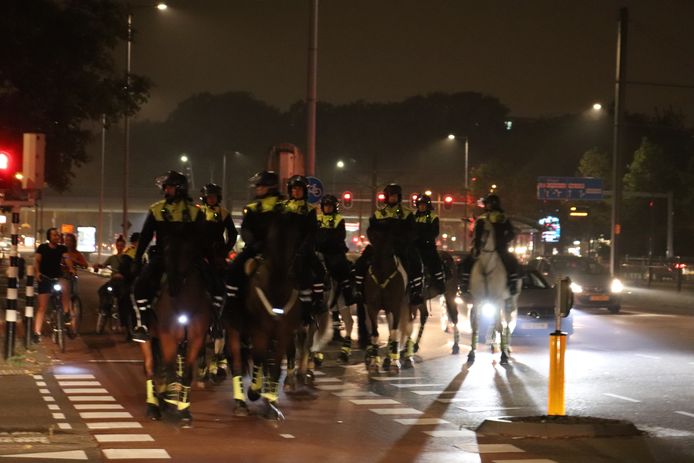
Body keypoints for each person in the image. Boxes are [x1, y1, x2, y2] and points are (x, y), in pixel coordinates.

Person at [131, 170, 204, 342]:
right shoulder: (156, 210)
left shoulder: (195, 212)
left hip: (189, 259)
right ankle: (142, 324)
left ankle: (216, 321)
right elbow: (145, 237)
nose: (165, 191)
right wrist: (137, 258)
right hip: (162, 258)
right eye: (165, 188)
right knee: (140, 285)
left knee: (214, 282)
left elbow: (202, 239)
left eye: (169, 188)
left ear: (179, 189)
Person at [353, 183, 424, 305]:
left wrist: (402, 241)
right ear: (386, 197)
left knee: (416, 261)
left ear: (399, 197)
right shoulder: (378, 214)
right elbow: (371, 231)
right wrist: (377, 242)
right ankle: (359, 291)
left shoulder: (407, 214)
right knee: (361, 262)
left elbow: (413, 232)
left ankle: (416, 292)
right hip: (380, 247)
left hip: (400, 248)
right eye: (391, 196)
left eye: (396, 196)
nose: (393, 198)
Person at [224, 170, 283, 313]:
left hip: (278, 250)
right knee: (233, 269)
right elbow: (245, 229)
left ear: (271, 187)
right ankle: (232, 306)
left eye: (261, 185)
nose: (258, 188)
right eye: (257, 186)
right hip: (255, 248)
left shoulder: (284, 207)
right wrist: (252, 243)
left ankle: (308, 309)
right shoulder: (252, 208)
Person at [280, 175, 325, 317]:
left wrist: (303, 250)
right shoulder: (283, 207)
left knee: (319, 271)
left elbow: (312, 232)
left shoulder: (310, 209)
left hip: (303, 251)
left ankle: (315, 303)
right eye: (294, 189)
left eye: (299, 189)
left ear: (304, 191)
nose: (296, 192)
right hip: (284, 249)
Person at [459, 193, 520, 295]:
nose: (488, 206)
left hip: (500, 247)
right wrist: (476, 244)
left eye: (489, 204)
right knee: (467, 261)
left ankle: (512, 283)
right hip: (481, 247)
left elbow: (511, 232)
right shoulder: (482, 218)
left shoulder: (502, 217)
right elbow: (476, 232)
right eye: (487, 204)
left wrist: (503, 240)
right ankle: (465, 283)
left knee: (511, 261)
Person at [199, 183, 237, 316]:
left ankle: (220, 309)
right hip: (199, 252)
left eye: (214, 197)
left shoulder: (223, 213)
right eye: (208, 197)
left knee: (220, 279)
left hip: (216, 254)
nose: (211, 199)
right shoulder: (197, 212)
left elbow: (233, 234)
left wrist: (225, 249)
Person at [33, 228, 75, 342]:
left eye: (57, 235)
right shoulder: (42, 248)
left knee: (65, 285)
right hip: (45, 278)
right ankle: (37, 332)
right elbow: (37, 261)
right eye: (54, 235)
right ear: (49, 237)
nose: (57, 237)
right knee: (42, 307)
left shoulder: (62, 248)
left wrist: (71, 268)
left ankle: (66, 313)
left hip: (57, 277)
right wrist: (37, 272)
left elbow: (67, 259)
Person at [316, 194, 355, 305]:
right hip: (318, 251)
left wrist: (325, 241)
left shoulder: (339, 220)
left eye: (330, 206)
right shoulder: (317, 219)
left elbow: (339, 236)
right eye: (326, 206)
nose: (328, 208)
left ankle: (348, 296)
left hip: (334, 252)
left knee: (342, 268)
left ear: (334, 207)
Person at [93, 235, 129, 331]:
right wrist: (97, 266)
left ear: (124, 246)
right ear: (116, 246)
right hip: (113, 282)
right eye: (118, 245)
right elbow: (103, 266)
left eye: (122, 245)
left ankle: (124, 322)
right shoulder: (112, 258)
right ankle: (104, 310)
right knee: (102, 291)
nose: (120, 247)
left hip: (123, 283)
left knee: (124, 298)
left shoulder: (127, 258)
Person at [413, 193, 446, 295]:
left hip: (427, 247)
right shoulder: (413, 217)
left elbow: (434, 232)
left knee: (434, 262)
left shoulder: (433, 217)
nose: (422, 207)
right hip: (414, 247)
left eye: (424, 205)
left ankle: (440, 283)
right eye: (420, 204)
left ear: (428, 206)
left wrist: (422, 238)